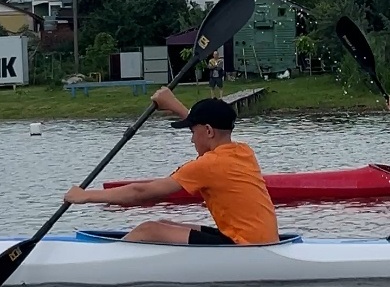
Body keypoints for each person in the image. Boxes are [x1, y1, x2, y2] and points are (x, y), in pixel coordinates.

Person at [63, 89, 279, 245]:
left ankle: (105, 261)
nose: (192, 140)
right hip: (260, 239)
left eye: (193, 133)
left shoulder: (207, 165)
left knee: (149, 229)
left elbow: (142, 193)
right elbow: (206, 128)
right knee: (165, 223)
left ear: (208, 131)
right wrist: (174, 104)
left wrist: (85, 196)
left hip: (246, 246)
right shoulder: (243, 151)